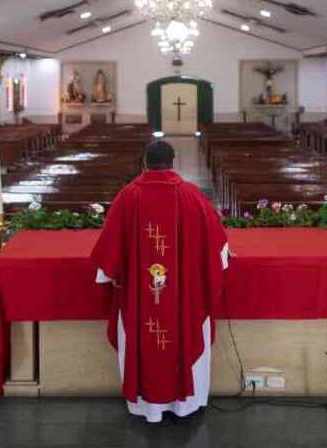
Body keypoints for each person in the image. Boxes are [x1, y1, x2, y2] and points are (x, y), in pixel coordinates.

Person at [90, 139, 229, 422]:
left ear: (145, 162)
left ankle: (147, 406)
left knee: (143, 337)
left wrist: (112, 275)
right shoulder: (193, 197)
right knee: (184, 335)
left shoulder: (127, 196)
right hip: (184, 301)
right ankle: (186, 404)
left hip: (139, 301)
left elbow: (108, 255)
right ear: (173, 161)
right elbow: (218, 249)